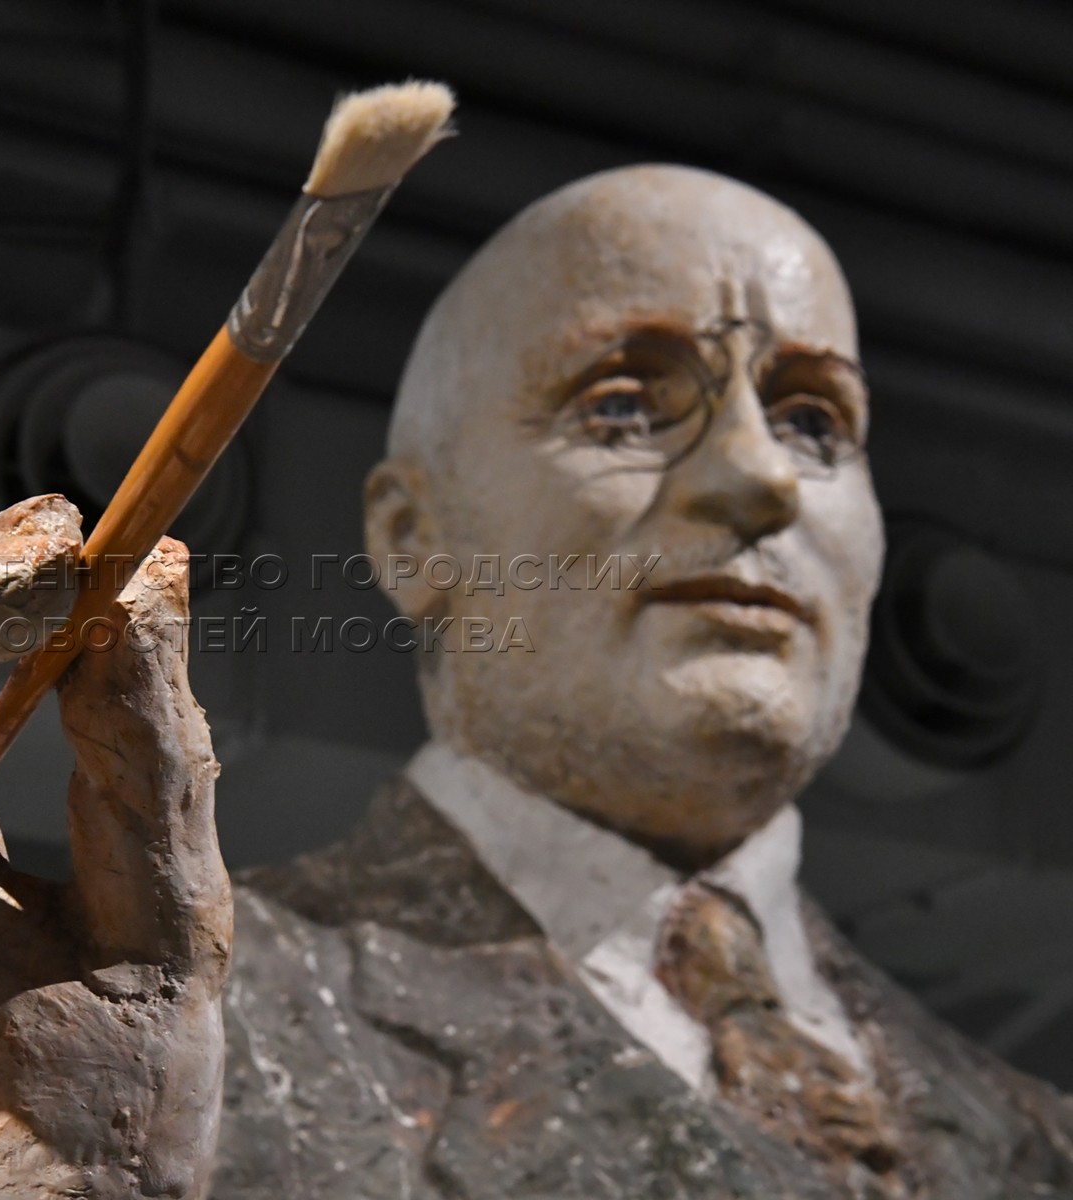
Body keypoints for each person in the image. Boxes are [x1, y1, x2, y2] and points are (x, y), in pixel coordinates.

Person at [210, 164, 1073, 1198]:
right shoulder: (177, 1039)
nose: (763, 476)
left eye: (813, 421)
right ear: (412, 537)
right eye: (622, 406)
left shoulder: (1040, 1145)